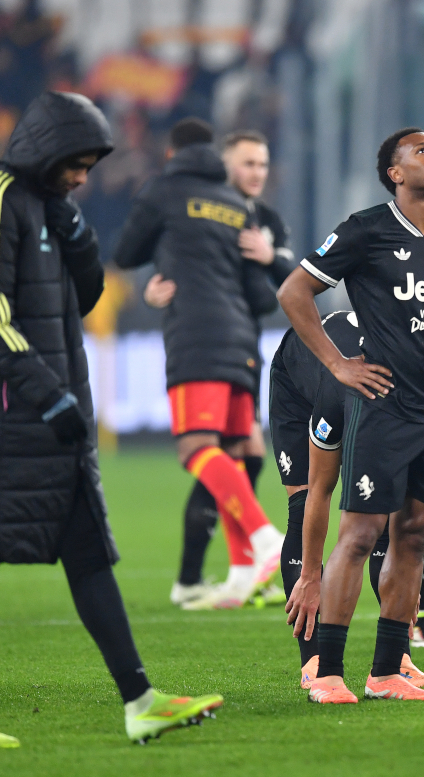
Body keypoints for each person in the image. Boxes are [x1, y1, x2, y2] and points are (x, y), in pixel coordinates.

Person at [0, 92, 223, 748]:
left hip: (51, 422)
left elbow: (85, 297)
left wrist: (77, 232)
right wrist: (46, 394)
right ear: (45, 151)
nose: (83, 176)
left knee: (90, 558)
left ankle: (140, 701)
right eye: (76, 164)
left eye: (89, 166)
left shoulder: (47, 207)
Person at [277, 127, 424, 703]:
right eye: (421, 151)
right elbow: (294, 291)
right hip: (384, 405)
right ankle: (326, 673)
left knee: (416, 534)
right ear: (395, 173)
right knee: (362, 535)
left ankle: (387, 671)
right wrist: (338, 365)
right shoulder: (365, 230)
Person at [115, 118, 283, 610]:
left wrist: (159, 274)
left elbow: (126, 252)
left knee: (195, 449)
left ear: (171, 155)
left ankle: (262, 536)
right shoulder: (235, 205)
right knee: (231, 452)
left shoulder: (165, 190)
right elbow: (260, 292)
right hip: (240, 340)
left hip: (196, 336)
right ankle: (244, 568)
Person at [271, 311, 424, 692]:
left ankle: (396, 658)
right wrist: (311, 576)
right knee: (302, 509)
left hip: (373, 397)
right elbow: (320, 491)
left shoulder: (420, 399)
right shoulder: (335, 401)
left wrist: (404, 580)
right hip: (298, 389)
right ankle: (313, 660)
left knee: (384, 512)